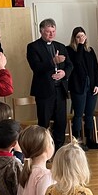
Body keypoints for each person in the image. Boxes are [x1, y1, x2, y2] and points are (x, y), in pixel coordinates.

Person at [27, 18, 74, 152]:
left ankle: (59, 149)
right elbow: (36, 67)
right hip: (44, 91)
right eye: (48, 32)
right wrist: (53, 61)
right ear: (41, 31)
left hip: (60, 89)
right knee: (44, 122)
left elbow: (70, 65)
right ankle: (42, 150)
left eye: (53, 31)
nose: (51, 34)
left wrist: (64, 73)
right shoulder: (33, 47)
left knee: (61, 122)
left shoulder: (60, 46)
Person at [66, 26, 98, 151]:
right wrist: (80, 46)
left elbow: (96, 69)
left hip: (91, 87)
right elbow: (77, 62)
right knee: (78, 114)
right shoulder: (69, 50)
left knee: (89, 114)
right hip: (78, 87)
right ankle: (77, 141)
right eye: (78, 36)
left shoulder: (90, 50)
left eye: (83, 36)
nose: (81, 38)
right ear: (74, 39)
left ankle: (90, 139)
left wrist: (97, 84)